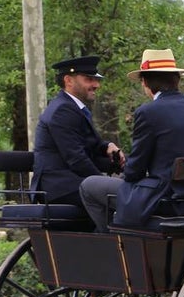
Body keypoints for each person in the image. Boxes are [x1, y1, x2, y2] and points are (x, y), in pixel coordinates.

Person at [80, 49, 184, 231]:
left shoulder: (148, 112)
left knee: (89, 186)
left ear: (145, 82)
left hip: (168, 198)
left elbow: (135, 170)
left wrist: (124, 170)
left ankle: (113, 243)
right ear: (176, 80)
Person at [30, 55, 124, 206]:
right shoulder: (63, 110)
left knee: (129, 191)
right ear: (68, 80)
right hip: (60, 187)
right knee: (127, 197)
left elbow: (88, 143)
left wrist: (107, 146)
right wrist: (103, 182)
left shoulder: (74, 108)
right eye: (89, 79)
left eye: (96, 79)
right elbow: (76, 158)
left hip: (72, 182)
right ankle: (109, 230)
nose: (96, 85)